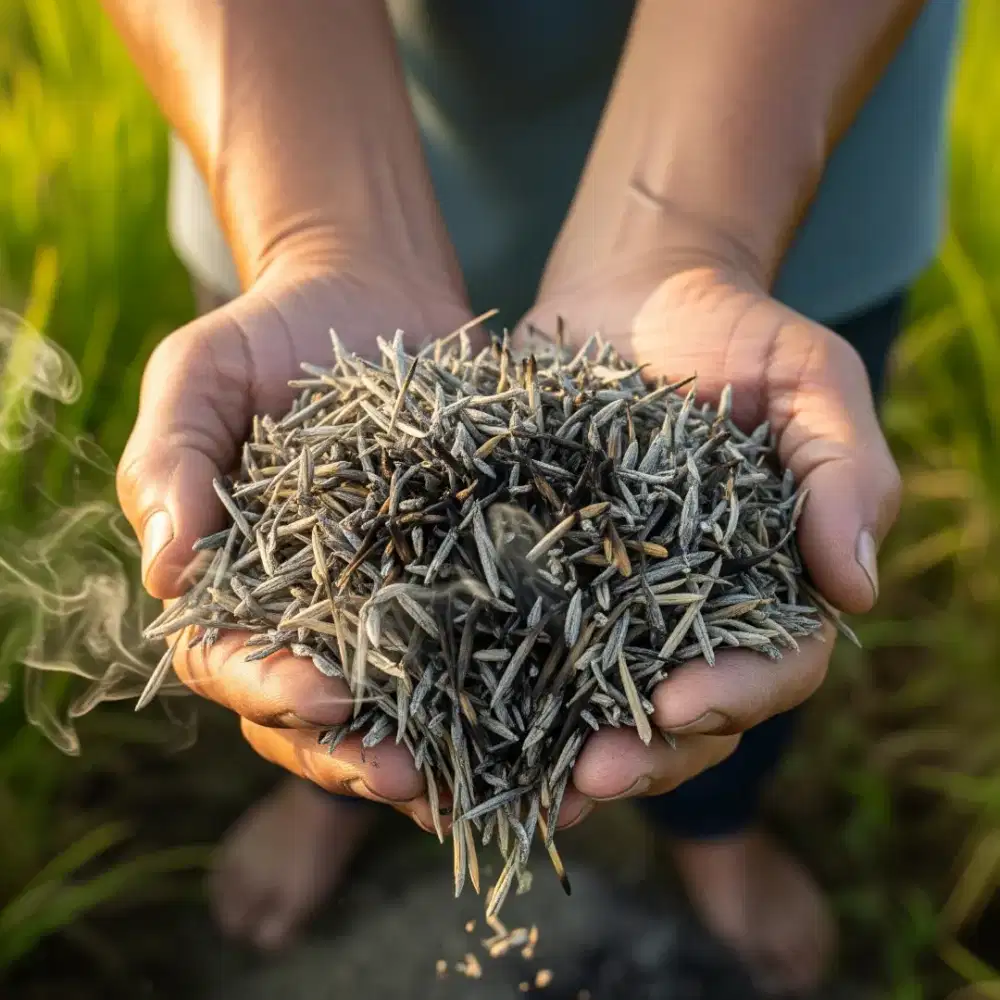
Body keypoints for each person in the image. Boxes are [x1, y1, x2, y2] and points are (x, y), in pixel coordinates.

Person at [104, 1, 961, 994]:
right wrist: (319, 234)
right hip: (289, 121)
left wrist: (689, 238)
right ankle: (329, 801)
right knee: (330, 677)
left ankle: (715, 824)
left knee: (714, 676)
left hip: (786, 135)